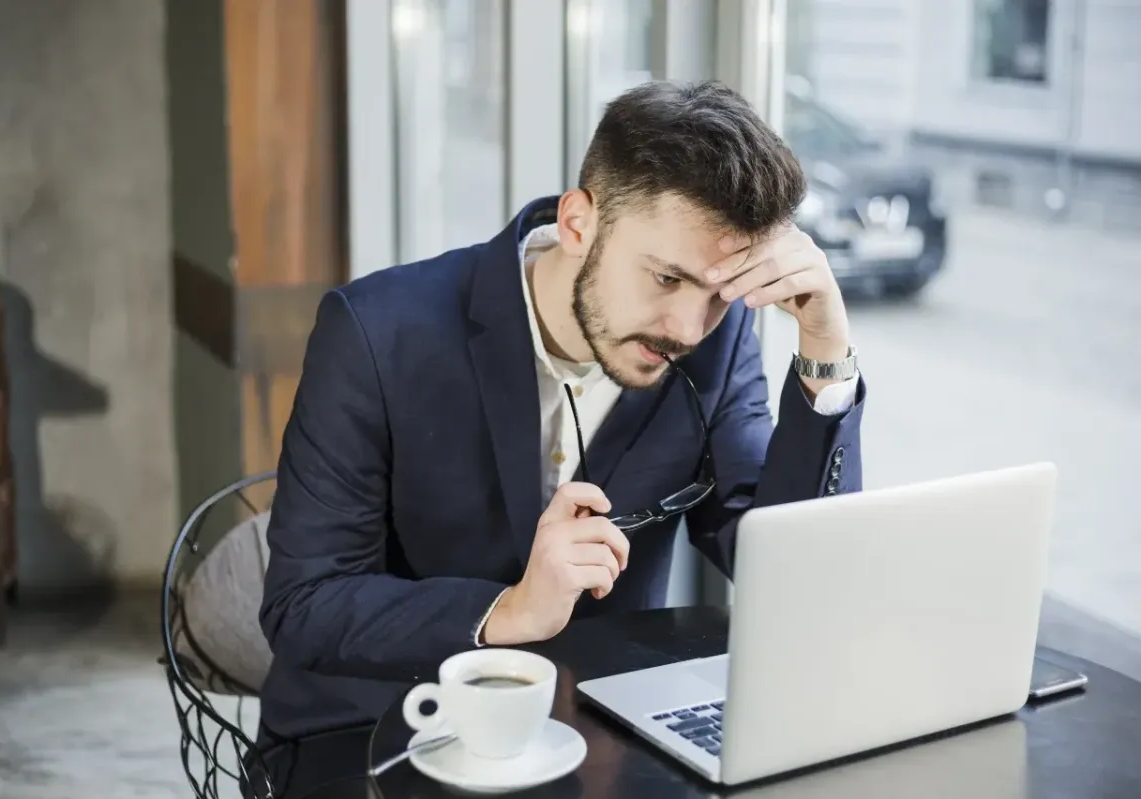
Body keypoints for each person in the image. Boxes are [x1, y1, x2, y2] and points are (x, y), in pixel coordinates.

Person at [249, 79, 865, 793]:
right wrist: (508, 610)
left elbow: (791, 573)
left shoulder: (714, 347)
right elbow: (304, 605)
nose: (689, 328)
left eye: (720, 294)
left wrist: (825, 347)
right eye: (666, 277)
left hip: (599, 734)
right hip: (379, 728)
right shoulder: (376, 332)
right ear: (579, 223)